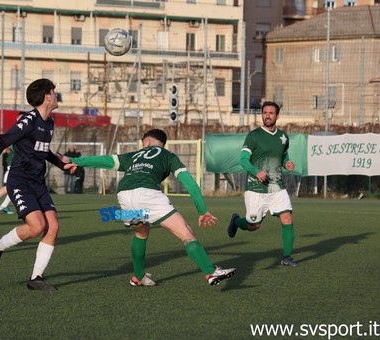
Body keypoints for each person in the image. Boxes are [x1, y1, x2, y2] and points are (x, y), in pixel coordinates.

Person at [66, 129, 237, 286]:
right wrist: (202, 210)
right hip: (147, 195)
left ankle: (138, 277)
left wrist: (75, 161)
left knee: (141, 231)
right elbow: (190, 184)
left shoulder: (133, 155)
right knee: (186, 232)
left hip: (124, 194)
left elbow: (105, 160)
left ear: (146, 142)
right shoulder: (169, 156)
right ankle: (210, 272)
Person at [0, 78, 71, 291]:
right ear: (46, 97)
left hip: (37, 181)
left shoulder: (49, 121)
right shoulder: (28, 121)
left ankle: (36, 278)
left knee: (54, 227)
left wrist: (61, 163)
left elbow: (42, 151)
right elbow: (1, 144)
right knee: (37, 226)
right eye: (54, 91)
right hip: (20, 180)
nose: (56, 94)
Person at [227, 101, 297, 267]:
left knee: (287, 217)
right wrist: (256, 172)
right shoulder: (253, 136)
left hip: (277, 186)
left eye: (271, 113)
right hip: (256, 188)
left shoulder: (283, 137)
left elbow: (283, 156)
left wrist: (287, 164)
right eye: (265, 112)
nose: (267, 116)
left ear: (277, 116)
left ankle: (286, 257)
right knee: (254, 226)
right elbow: (243, 160)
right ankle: (236, 221)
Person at [0, 112, 27, 216]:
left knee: (15, 187)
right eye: (21, 118)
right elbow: (13, 146)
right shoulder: (16, 131)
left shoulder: (24, 131)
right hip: (14, 164)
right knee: (10, 187)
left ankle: (2, 205)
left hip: (20, 164)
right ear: (17, 119)